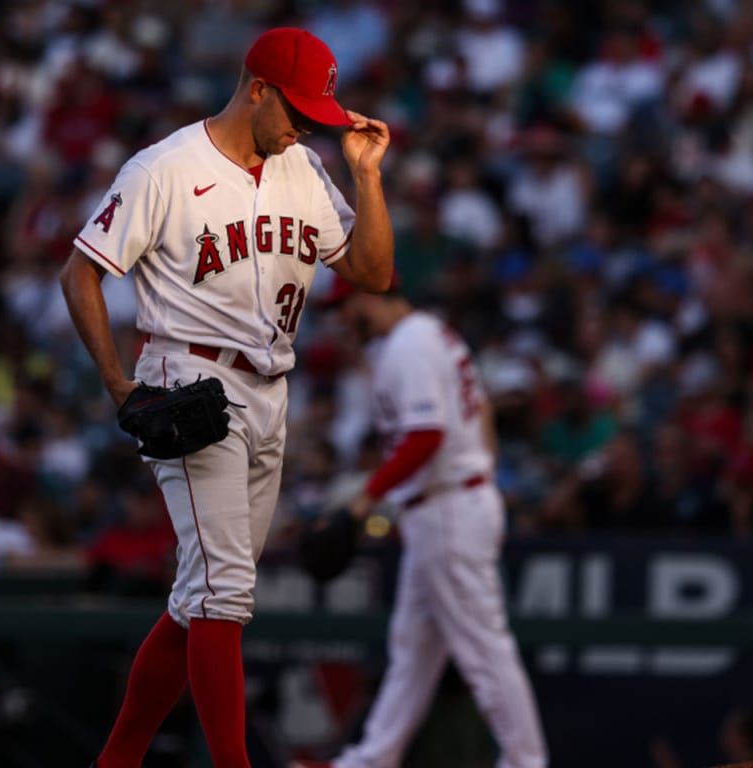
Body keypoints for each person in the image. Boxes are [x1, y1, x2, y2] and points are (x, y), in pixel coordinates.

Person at [59, 27, 393, 768]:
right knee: (226, 591)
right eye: (297, 110)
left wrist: (367, 177)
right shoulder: (166, 168)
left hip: (272, 388)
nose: (306, 126)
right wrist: (119, 382)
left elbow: (373, 273)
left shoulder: (304, 168)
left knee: (199, 597)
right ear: (258, 88)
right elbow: (81, 272)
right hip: (191, 380)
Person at [295, 279, 546, 768]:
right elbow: (479, 414)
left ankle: (525, 761)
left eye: (345, 306)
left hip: (448, 508)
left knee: (482, 648)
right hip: (446, 503)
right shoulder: (430, 334)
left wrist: (363, 501)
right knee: (412, 648)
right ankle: (371, 759)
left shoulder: (410, 344)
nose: (341, 318)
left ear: (371, 294)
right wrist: (481, 475)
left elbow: (426, 435)